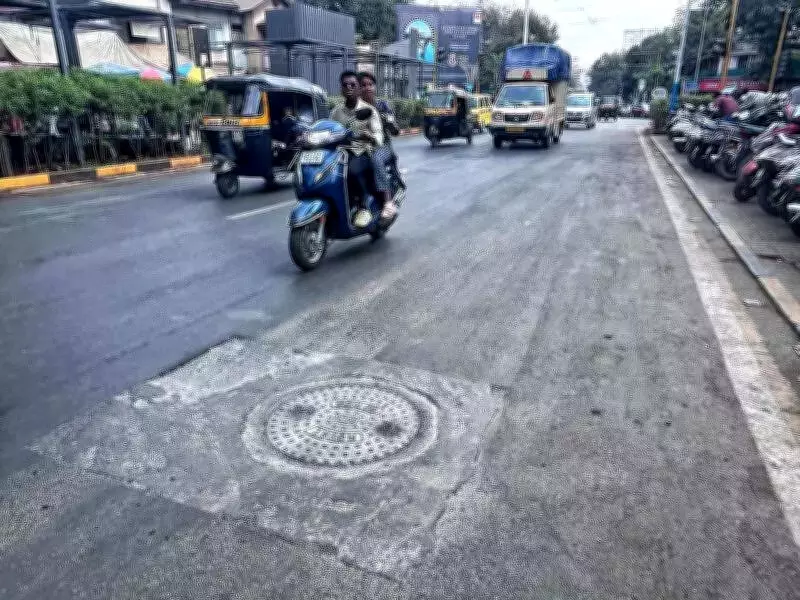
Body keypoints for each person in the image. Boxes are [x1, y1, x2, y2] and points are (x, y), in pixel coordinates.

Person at [330, 71, 395, 227]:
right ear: (341, 89)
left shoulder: (373, 109)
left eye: (353, 85)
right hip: (341, 152)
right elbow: (328, 129)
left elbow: (379, 135)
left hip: (364, 150)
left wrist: (370, 137)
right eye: (345, 85)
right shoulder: (336, 112)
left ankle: (365, 206)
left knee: (353, 169)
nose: (349, 88)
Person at [358, 71, 405, 193]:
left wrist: (387, 121)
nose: (367, 88)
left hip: (382, 146)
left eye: (370, 84)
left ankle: (386, 199)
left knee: (376, 159)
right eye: (363, 85)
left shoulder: (382, 105)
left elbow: (396, 131)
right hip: (360, 147)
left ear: (374, 87)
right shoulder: (354, 108)